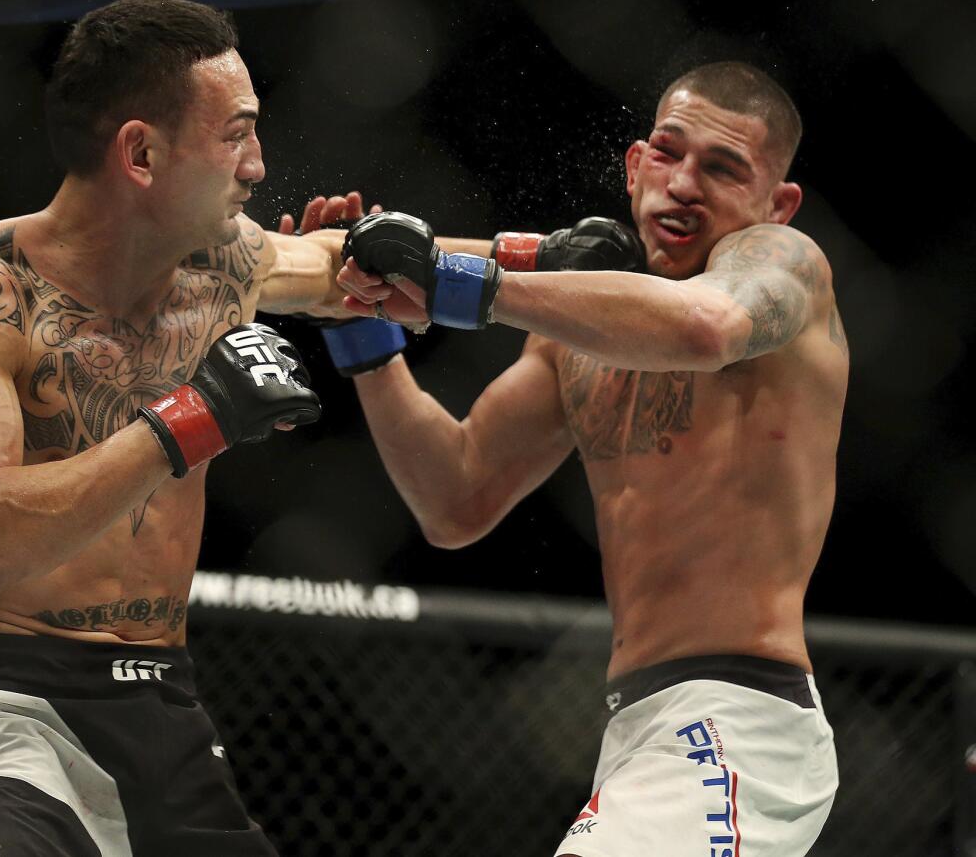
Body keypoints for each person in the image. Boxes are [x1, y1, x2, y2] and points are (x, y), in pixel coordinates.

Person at [0, 0, 367, 857]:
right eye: (236, 134)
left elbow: (369, 270)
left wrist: (543, 263)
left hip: (166, 707)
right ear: (142, 152)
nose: (259, 167)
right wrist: (191, 419)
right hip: (9, 703)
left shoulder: (226, 266)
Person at [333, 61, 846, 857]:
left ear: (774, 203)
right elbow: (456, 498)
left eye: (721, 168)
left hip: (740, 718)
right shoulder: (577, 334)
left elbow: (706, 330)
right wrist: (364, 338)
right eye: (669, 155)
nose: (683, 185)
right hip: (636, 722)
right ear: (635, 165)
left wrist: (464, 285)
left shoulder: (786, 267)